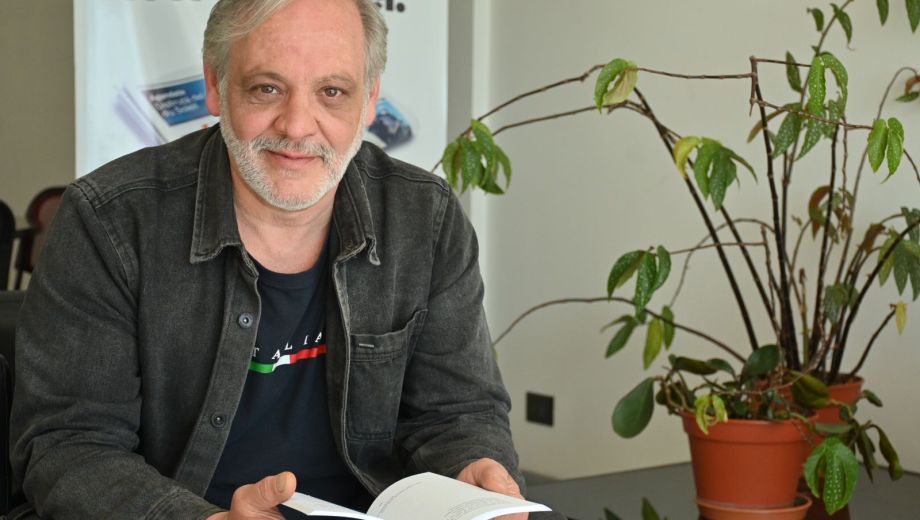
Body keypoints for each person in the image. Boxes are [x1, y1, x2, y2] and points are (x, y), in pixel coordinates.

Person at [9, 0, 526, 518]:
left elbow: (460, 411)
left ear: (369, 99)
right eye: (267, 88)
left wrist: (475, 466)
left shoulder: (425, 218)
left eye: (332, 92)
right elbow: (68, 445)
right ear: (215, 85)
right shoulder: (109, 222)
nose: (298, 126)